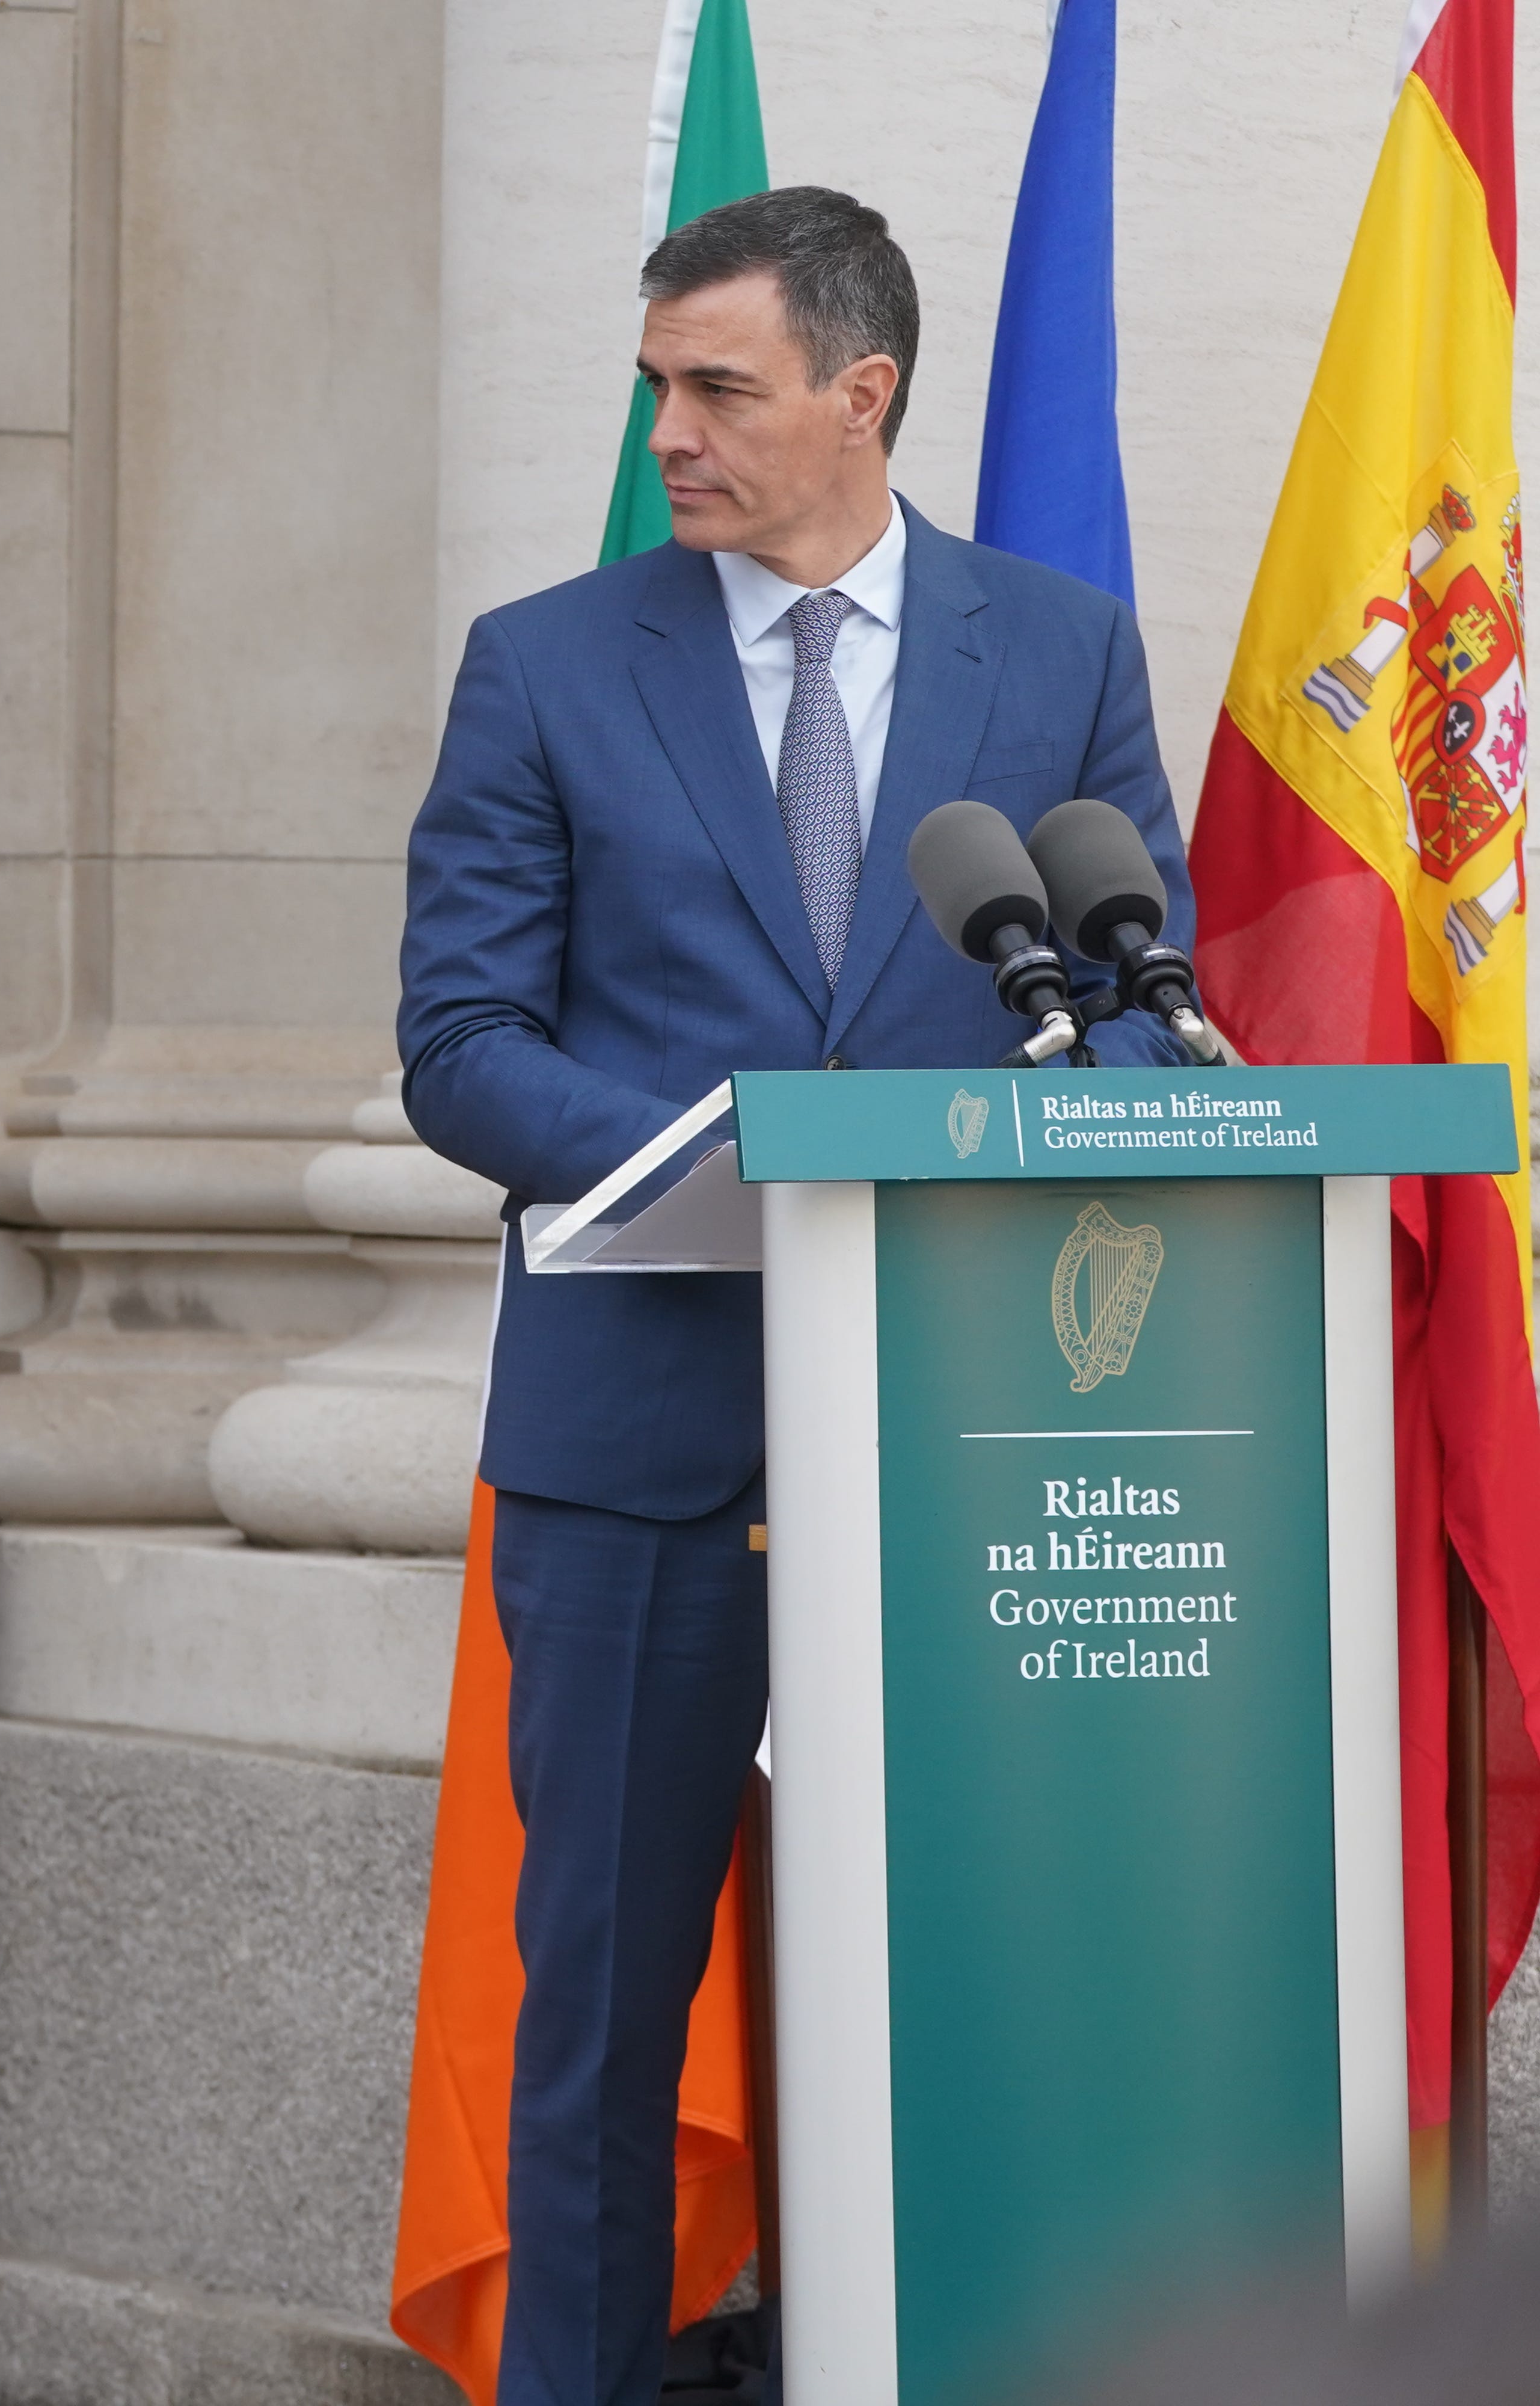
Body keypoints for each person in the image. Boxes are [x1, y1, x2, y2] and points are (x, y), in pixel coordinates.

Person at [394, 186, 1192, 2406]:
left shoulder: (1057, 649)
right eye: (656, 384)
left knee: (957, 1995)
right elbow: (460, 1041)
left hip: (966, 1440)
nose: (671, 431)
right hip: (637, 1454)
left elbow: (1141, 1002)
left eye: (718, 387)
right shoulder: (548, 660)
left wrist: (1008, 1140)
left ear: (868, 393)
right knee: (604, 2025)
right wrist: (695, 1171)